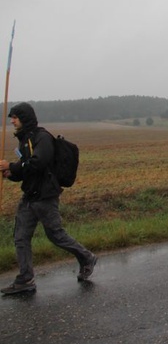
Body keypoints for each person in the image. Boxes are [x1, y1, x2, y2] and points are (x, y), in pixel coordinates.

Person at [0, 102, 97, 295]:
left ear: (24, 119)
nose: (11, 121)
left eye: (15, 118)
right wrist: (11, 173)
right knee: (20, 237)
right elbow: (26, 169)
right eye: (11, 117)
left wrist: (12, 165)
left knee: (56, 235)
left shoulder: (42, 137)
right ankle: (25, 279)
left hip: (45, 196)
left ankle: (87, 258)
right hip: (29, 196)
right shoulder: (24, 140)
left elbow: (38, 163)